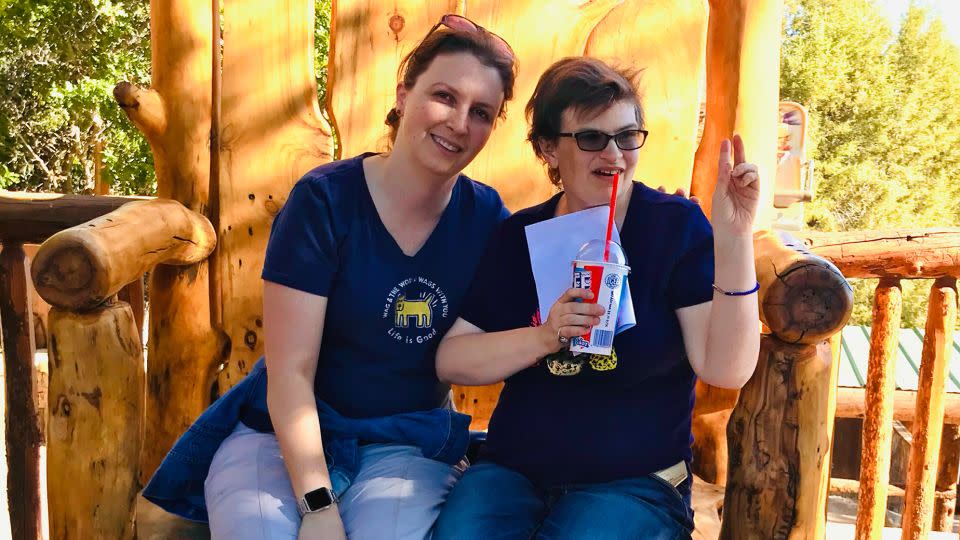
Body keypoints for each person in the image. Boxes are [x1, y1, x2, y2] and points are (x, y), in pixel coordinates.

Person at [141, 15, 517, 540]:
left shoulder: (486, 219)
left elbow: (542, 294)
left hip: (404, 441)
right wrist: (317, 505)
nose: (459, 122)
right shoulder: (325, 201)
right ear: (404, 95)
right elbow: (291, 371)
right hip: (281, 435)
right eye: (444, 97)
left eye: (481, 112)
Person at [432, 56, 761, 539]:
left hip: (635, 483)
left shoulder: (672, 228)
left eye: (627, 137)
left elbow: (725, 369)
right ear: (547, 148)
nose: (614, 155)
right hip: (512, 473)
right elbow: (452, 359)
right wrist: (544, 337)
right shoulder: (521, 234)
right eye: (590, 138)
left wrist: (734, 239)